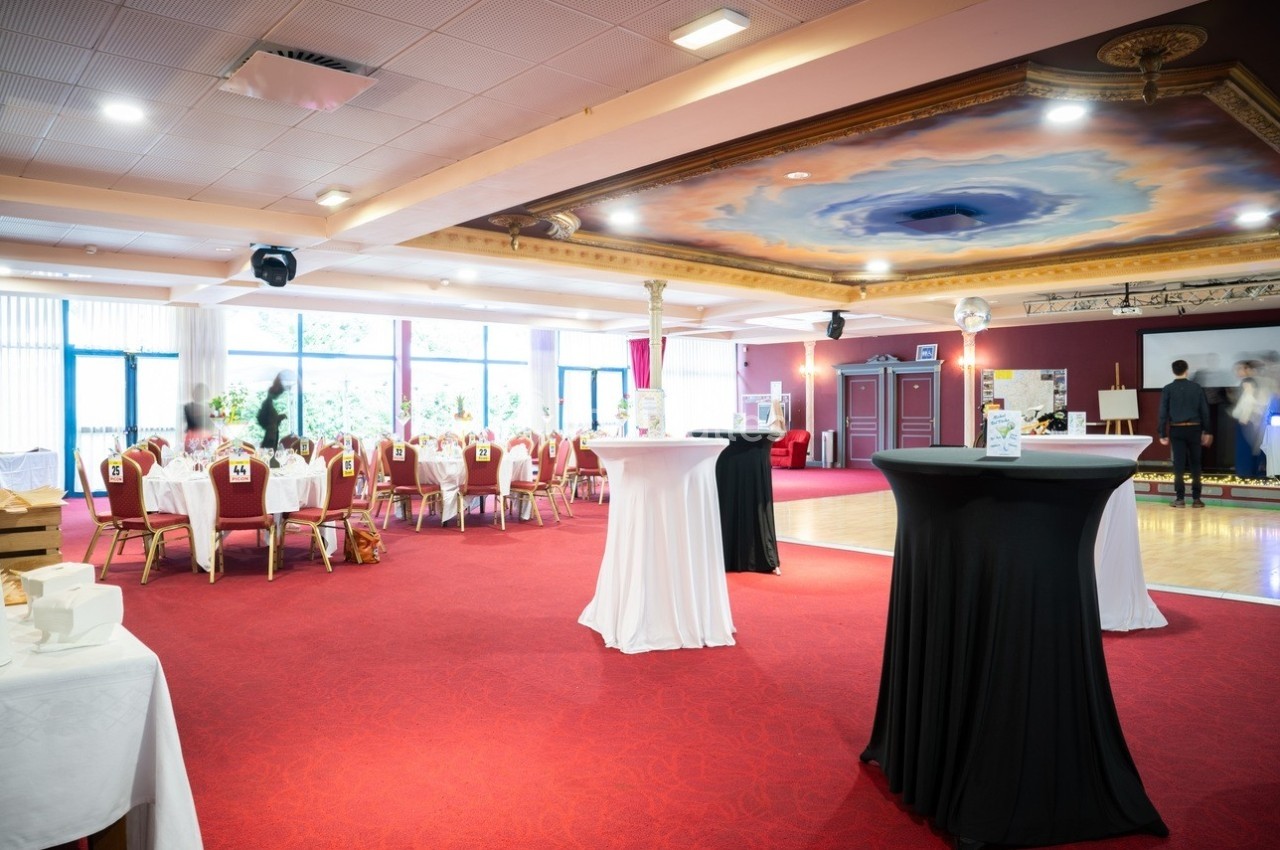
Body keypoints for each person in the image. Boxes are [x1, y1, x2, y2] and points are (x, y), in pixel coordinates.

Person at [1157, 359, 1213, 508]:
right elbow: (1205, 411)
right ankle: (1196, 499)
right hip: (1195, 429)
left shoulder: (1168, 389)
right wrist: (1207, 431)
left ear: (1173, 371)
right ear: (1186, 370)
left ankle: (1180, 498)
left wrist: (1162, 433)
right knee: (1196, 464)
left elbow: (1163, 413)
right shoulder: (1196, 388)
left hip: (1177, 429)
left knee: (1179, 465)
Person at [256, 372, 289, 455]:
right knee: (269, 456)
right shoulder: (267, 404)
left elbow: (272, 419)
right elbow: (271, 420)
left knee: (270, 455)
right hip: (271, 436)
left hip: (272, 435)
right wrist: (278, 418)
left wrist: (280, 417)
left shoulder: (268, 404)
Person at [183, 383, 213, 452]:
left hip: (206, 437)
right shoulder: (188, 407)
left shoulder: (210, 407)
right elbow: (191, 422)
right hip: (193, 437)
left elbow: (212, 424)